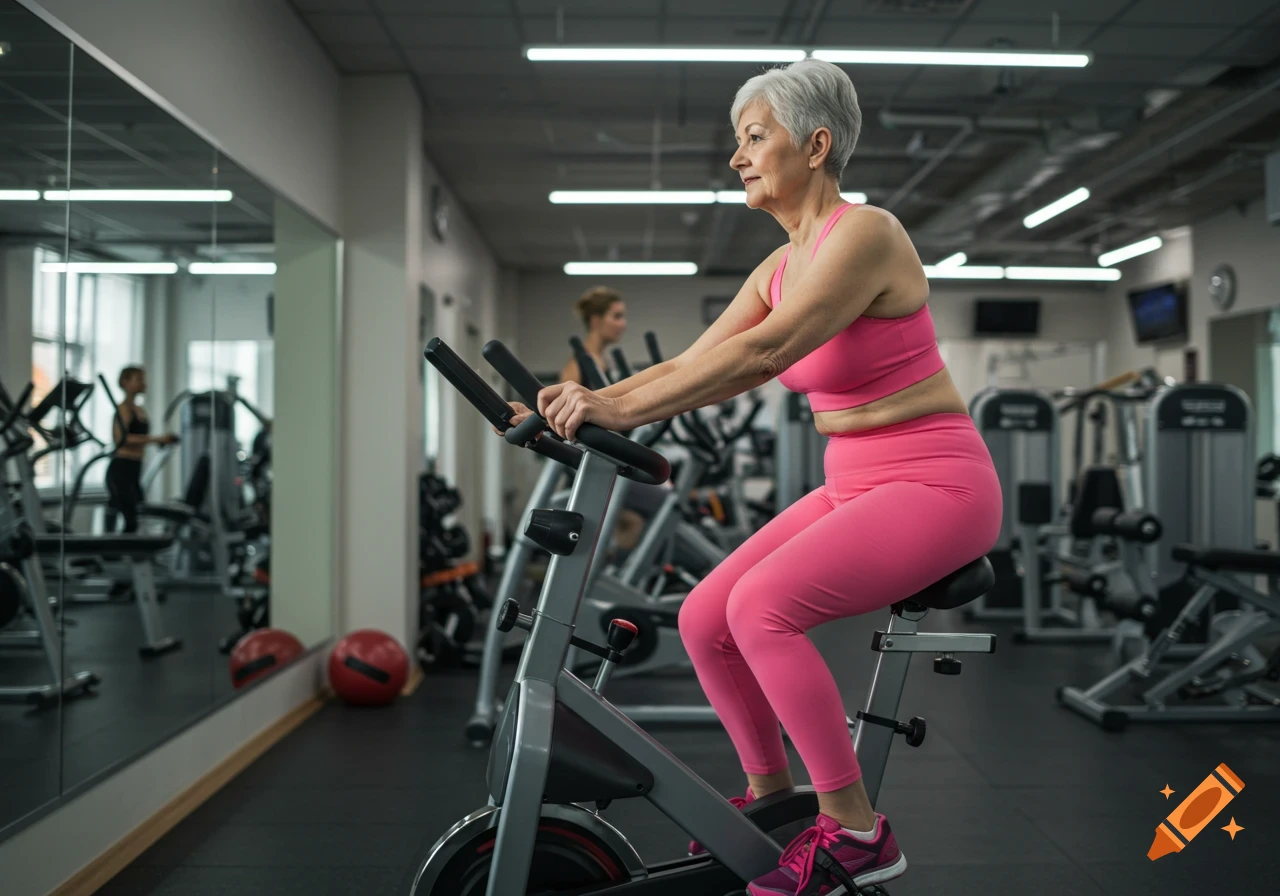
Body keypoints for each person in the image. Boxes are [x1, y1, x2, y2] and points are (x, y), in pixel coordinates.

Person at [513, 59, 1003, 895]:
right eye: (735, 141)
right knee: (707, 615)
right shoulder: (780, 265)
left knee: (761, 608)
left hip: (938, 484)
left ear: (816, 146)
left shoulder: (867, 233)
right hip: (856, 480)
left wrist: (620, 412)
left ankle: (856, 831)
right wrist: (580, 402)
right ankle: (776, 800)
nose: (737, 157)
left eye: (753, 137)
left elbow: (765, 354)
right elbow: (695, 360)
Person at [105, 366, 176, 533]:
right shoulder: (123, 409)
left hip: (135, 468)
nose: (144, 383)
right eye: (139, 379)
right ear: (125, 382)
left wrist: (162, 441)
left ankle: (127, 555)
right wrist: (156, 439)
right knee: (131, 518)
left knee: (138, 514)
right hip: (121, 468)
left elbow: (140, 439)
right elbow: (120, 439)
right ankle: (117, 555)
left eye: (144, 379)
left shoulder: (140, 410)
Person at [559, 286, 627, 386]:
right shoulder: (576, 368)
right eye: (617, 316)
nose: (623, 324)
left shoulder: (603, 360)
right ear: (596, 321)